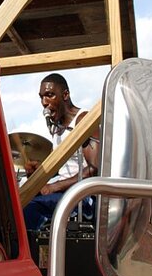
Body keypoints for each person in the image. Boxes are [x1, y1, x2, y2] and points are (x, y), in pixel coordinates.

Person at [23, 73, 100, 231]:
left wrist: (54, 187)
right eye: (42, 97)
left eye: (50, 95)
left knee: (29, 208)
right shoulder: (56, 129)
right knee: (17, 201)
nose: (44, 102)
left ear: (65, 95)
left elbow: (94, 169)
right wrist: (36, 174)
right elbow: (57, 169)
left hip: (81, 197)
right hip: (63, 193)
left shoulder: (83, 120)